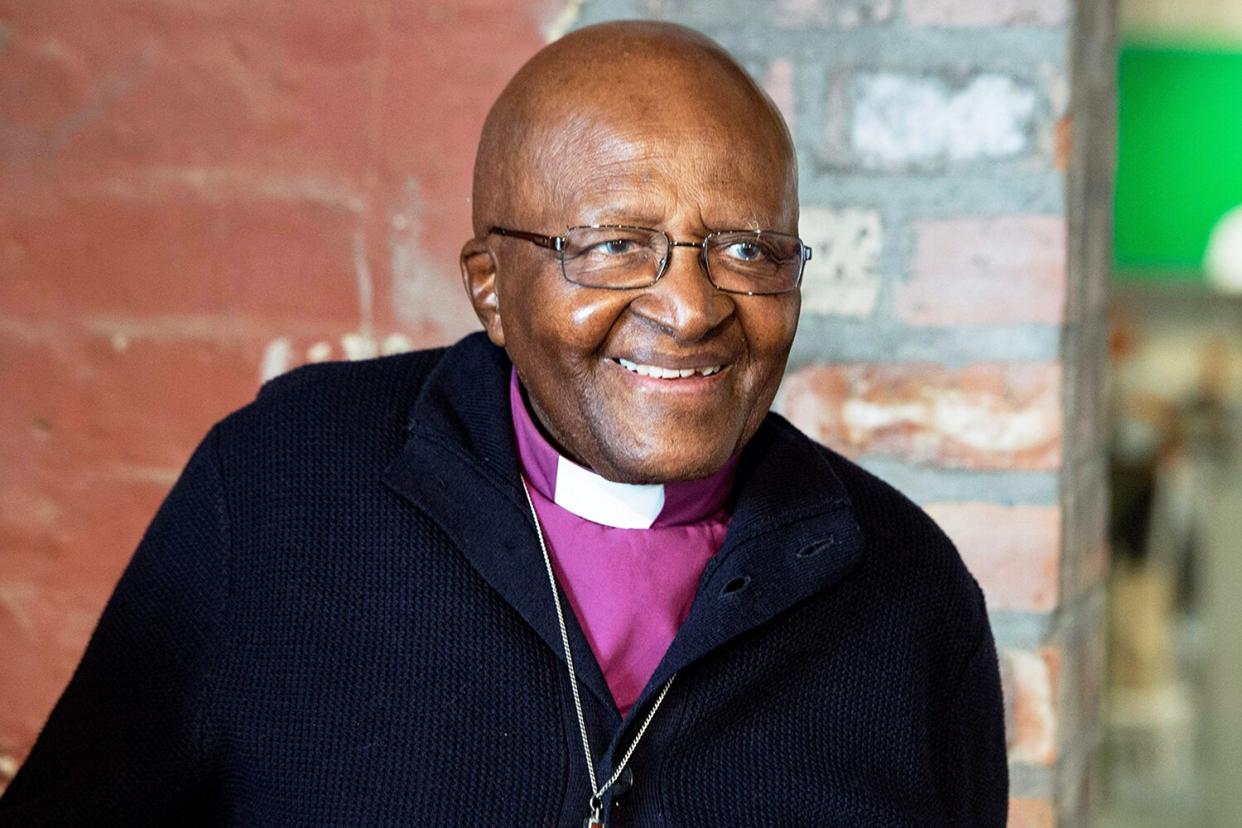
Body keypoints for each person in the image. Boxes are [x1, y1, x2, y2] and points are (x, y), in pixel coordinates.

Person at [0, 21, 1008, 827]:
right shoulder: (279, 491)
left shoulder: (906, 592)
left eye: (748, 250)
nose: (695, 307)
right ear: (490, 287)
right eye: (615, 245)